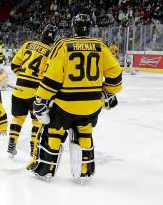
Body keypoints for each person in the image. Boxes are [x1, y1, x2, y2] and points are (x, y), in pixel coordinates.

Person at [30, 13, 123, 182]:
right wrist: (107, 92)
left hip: (66, 103)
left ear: (74, 27)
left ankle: (46, 170)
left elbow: (52, 78)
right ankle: (84, 172)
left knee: (53, 133)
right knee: (85, 133)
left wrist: (40, 100)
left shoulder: (64, 45)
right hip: (92, 104)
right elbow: (116, 75)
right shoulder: (100, 45)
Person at [8, 25, 56, 158]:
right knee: (37, 121)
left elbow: (14, 65)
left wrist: (23, 78)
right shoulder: (51, 51)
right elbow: (50, 74)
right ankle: (33, 149)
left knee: (18, 118)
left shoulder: (28, 44)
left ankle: (12, 141)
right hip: (36, 91)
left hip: (19, 89)